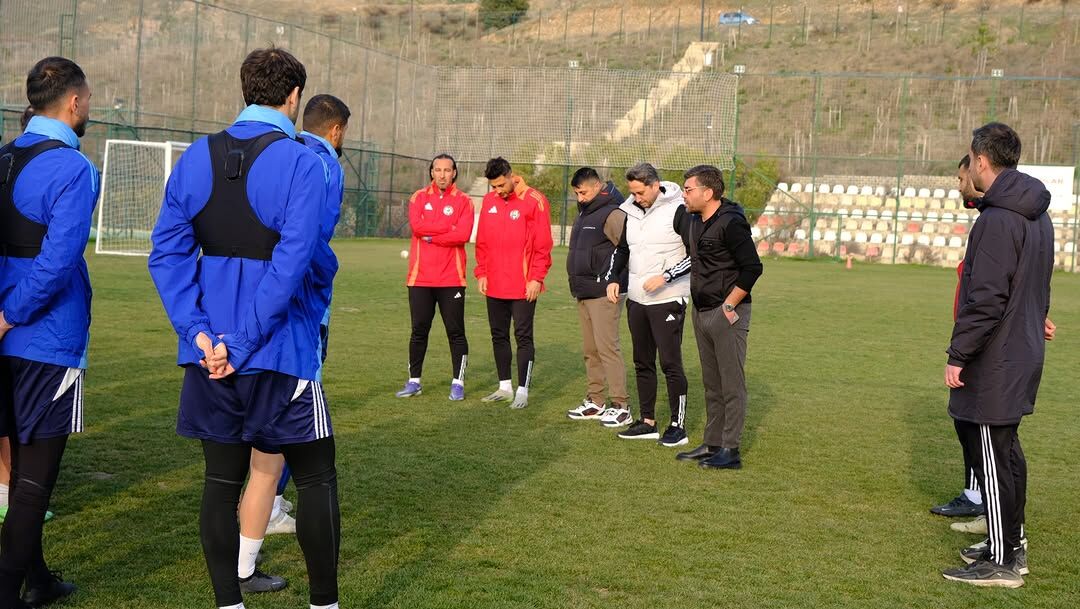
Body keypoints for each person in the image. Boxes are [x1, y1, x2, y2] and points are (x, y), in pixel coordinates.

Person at [149, 47, 341, 609]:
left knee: (219, 482)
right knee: (316, 477)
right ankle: (324, 603)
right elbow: (296, 260)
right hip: (280, 353)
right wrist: (239, 341)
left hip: (210, 356)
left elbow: (165, 254)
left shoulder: (194, 157)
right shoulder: (304, 159)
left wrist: (202, 335)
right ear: (294, 96)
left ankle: (227, 603)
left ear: (244, 88)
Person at [232, 93, 352, 589]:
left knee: (236, 456)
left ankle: (237, 566)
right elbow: (311, 246)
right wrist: (324, 277)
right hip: (296, 320)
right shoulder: (321, 163)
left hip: (236, 315)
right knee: (304, 458)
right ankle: (321, 591)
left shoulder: (266, 151)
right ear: (337, 130)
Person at [0, 56, 97, 608]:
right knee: (36, 476)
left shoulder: (4, 155)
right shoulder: (73, 167)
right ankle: (9, 592)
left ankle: (36, 577)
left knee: (14, 469)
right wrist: (11, 314)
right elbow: (59, 261)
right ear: (74, 102)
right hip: (43, 336)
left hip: (11, 334)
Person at [941, 123, 1053, 588]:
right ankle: (1010, 544)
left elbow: (986, 299)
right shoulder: (1035, 213)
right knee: (1006, 454)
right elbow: (1036, 282)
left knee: (995, 454)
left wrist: (958, 354)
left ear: (981, 160)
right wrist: (1036, 317)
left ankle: (1004, 562)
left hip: (998, 356)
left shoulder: (997, 218)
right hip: (1020, 348)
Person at [673, 164, 763, 470]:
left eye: (688, 189)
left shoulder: (731, 223)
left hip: (727, 312)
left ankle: (731, 449)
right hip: (701, 311)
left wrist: (729, 306)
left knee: (731, 383)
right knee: (712, 382)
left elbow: (753, 267)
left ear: (707, 192)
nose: (683, 194)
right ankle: (712, 443)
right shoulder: (694, 219)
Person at [605, 163, 693, 444]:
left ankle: (678, 426)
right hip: (637, 299)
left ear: (656, 185)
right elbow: (623, 248)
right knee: (642, 361)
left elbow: (696, 254)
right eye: (632, 192)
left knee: (670, 362)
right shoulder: (630, 210)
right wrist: (614, 278)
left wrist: (666, 277)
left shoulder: (679, 209)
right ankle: (647, 422)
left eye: (640, 192)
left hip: (668, 297)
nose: (636, 197)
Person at [474, 157, 553, 409]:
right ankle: (504, 386)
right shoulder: (489, 202)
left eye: (500, 185)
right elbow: (483, 240)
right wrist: (482, 273)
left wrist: (536, 278)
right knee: (498, 335)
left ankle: (523, 390)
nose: (497, 191)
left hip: (523, 285)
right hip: (494, 282)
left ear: (510, 175)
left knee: (523, 336)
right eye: (493, 187)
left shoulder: (535, 200)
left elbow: (543, 245)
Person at [396, 153, 474, 400]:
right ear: (431, 172)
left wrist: (433, 235)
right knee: (419, 330)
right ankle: (414, 381)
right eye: (437, 170)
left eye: (447, 170)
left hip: (452, 278)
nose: (442, 174)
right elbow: (417, 227)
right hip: (420, 278)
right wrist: (447, 228)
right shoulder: (418, 197)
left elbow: (462, 234)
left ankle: (458, 383)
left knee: (456, 332)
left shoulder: (464, 201)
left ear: (454, 173)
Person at [563, 167, 630, 422]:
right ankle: (596, 401)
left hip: (605, 293)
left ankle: (621, 406)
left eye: (583, 192)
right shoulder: (584, 213)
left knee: (607, 349)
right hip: (584, 291)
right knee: (591, 350)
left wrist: (614, 281)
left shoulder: (612, 213)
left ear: (597, 186)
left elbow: (626, 249)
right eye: (577, 193)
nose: (579, 197)